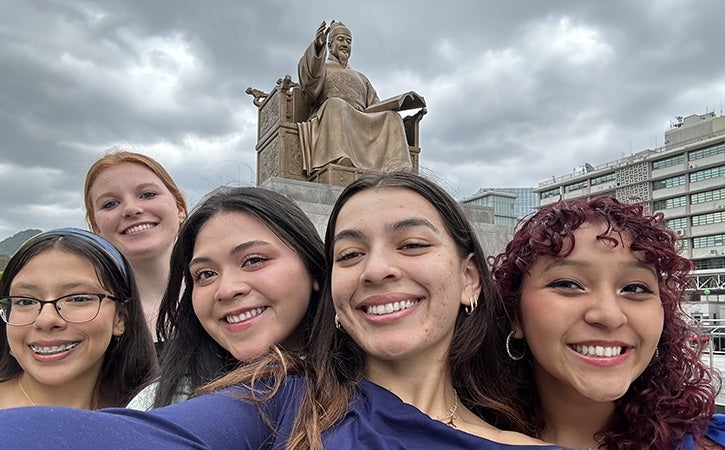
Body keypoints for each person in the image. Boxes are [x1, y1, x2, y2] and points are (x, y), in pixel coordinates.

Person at [0, 172, 560, 449]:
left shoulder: (529, 428)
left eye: (412, 245)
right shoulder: (280, 396)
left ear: (469, 278)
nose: (377, 269)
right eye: (351, 253)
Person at [488, 197, 724, 449]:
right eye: (568, 284)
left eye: (635, 287)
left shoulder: (710, 442)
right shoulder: (462, 438)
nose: (610, 316)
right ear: (515, 315)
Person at [126, 186, 324, 410]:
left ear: (313, 269)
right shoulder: (160, 405)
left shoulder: (365, 382)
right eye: (205, 274)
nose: (226, 290)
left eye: (253, 260)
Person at [0, 228, 157, 409]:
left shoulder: (152, 413)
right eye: (25, 301)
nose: (46, 320)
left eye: (78, 299)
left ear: (121, 317)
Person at [84, 151, 188, 346]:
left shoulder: (224, 293)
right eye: (110, 204)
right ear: (96, 227)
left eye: (148, 194)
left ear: (180, 208)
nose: (131, 209)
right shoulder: (87, 317)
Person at [297, 21, 422, 174]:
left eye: (348, 42)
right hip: (330, 115)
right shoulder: (323, 68)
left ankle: (399, 166)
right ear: (330, 45)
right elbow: (310, 83)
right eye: (341, 40)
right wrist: (317, 46)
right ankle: (340, 157)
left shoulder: (361, 78)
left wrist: (396, 106)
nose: (345, 45)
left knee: (392, 117)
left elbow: (375, 105)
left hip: (362, 119)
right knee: (336, 104)